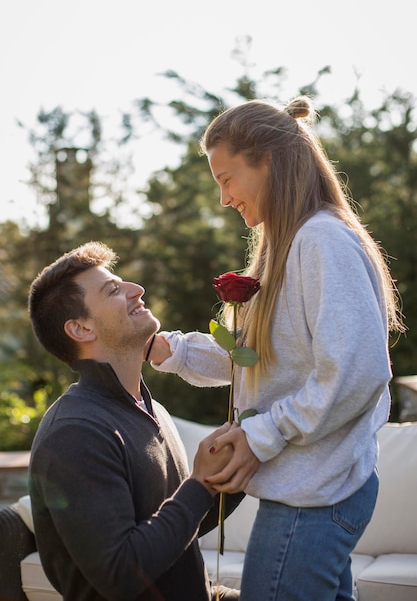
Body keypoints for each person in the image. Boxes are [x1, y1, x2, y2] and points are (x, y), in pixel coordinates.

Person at [145, 96, 405, 601]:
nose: (223, 198)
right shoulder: (284, 248)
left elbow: (356, 372)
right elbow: (251, 357)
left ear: (267, 160)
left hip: (312, 496)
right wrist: (162, 349)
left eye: (225, 178)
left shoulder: (322, 240)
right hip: (304, 489)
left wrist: (262, 434)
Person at [27, 241, 241, 601]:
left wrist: (226, 479)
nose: (136, 289)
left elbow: (170, 534)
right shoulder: (76, 433)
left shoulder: (149, 408)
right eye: (113, 290)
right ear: (81, 329)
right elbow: (121, 574)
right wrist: (200, 485)